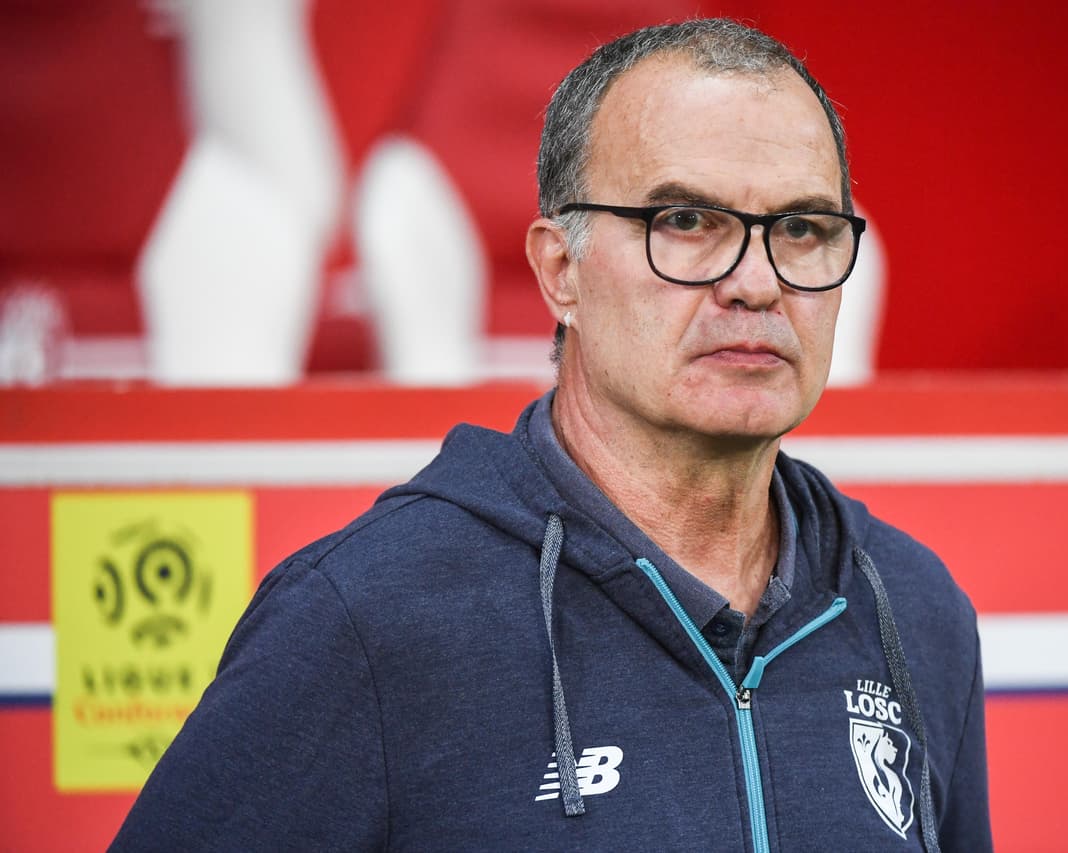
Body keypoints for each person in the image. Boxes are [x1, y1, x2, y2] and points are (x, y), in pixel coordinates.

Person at [111, 18, 991, 852]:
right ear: (559, 271)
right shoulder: (368, 617)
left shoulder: (912, 608)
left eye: (801, 229)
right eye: (685, 222)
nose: (755, 283)